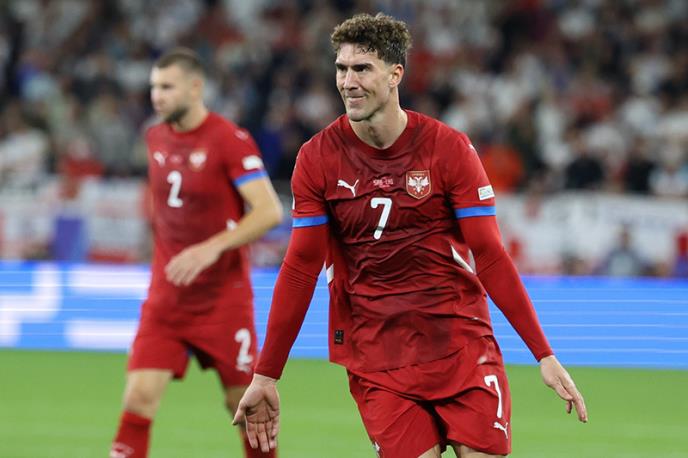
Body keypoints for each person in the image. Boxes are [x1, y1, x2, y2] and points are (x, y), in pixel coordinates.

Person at [234, 13, 587, 458]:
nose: (348, 82)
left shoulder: (448, 148)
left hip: (460, 345)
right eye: (342, 69)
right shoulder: (317, 158)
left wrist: (543, 354)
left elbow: (490, 255)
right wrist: (266, 374)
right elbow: (301, 267)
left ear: (395, 74)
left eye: (362, 69)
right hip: (377, 356)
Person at [109, 48, 283, 458]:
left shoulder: (228, 140)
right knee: (138, 398)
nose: (157, 96)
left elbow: (269, 211)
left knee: (245, 407)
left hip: (223, 300)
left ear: (195, 87)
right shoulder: (154, 137)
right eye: (154, 87)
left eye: (167, 87)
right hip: (167, 298)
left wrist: (210, 248)